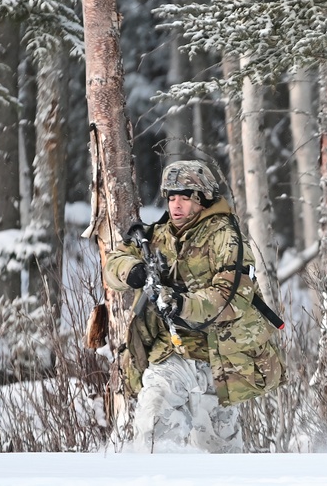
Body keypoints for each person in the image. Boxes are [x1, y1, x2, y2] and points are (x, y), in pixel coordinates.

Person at [104, 160, 285, 453]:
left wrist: (181, 303)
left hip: (218, 357)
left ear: (201, 199)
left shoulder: (226, 236)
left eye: (185, 197)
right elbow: (115, 262)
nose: (176, 205)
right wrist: (134, 270)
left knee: (218, 453)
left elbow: (230, 297)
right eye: (172, 197)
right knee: (153, 426)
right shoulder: (158, 234)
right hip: (171, 353)